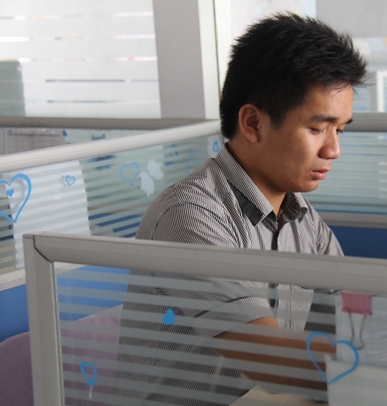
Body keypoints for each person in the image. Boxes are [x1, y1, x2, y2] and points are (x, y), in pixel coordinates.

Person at [118, 12, 367, 405]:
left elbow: (353, 323)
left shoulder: (304, 221)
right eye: (317, 128)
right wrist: (382, 373)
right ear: (253, 123)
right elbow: (267, 358)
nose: (333, 150)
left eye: (341, 129)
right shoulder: (189, 214)